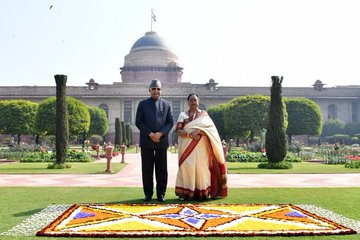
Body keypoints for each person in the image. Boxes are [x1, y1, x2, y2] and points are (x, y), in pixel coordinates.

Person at [175, 93, 228, 200]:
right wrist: (189, 135)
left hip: (201, 147)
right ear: (188, 102)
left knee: (202, 168)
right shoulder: (183, 115)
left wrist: (199, 130)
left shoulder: (204, 115)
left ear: (198, 102)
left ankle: (202, 193)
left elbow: (210, 130)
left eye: (195, 100)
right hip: (186, 147)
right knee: (187, 168)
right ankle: (185, 193)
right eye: (191, 100)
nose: (193, 102)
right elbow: (178, 130)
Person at [135, 79, 174, 202]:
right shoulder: (142, 104)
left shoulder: (167, 105)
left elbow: (170, 122)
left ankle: (161, 194)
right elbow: (138, 122)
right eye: (153, 88)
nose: (156, 91)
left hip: (161, 141)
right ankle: (148, 194)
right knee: (147, 169)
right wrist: (151, 134)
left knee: (162, 169)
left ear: (161, 90)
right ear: (149, 90)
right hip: (147, 141)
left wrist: (160, 133)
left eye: (158, 89)